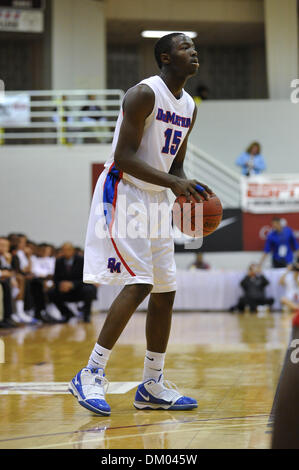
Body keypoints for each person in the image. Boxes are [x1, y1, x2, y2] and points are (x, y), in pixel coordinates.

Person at [69, 32, 212, 416]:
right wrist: (174, 182)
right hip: (125, 190)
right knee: (141, 282)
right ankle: (91, 372)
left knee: (166, 290)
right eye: (185, 47)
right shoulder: (143, 94)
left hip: (156, 198)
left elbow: (175, 164)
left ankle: (151, 383)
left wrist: (186, 190)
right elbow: (124, 157)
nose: (193, 52)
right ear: (165, 57)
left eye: (194, 48)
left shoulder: (189, 107)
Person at [48, 242, 97, 323]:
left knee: (90, 289)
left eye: (67, 250)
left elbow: (87, 277)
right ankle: (67, 313)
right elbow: (56, 278)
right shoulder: (58, 261)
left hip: (79, 288)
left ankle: (86, 314)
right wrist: (60, 284)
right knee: (51, 292)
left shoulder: (82, 260)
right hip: (65, 290)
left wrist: (72, 284)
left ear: (72, 250)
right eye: (63, 250)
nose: (65, 252)